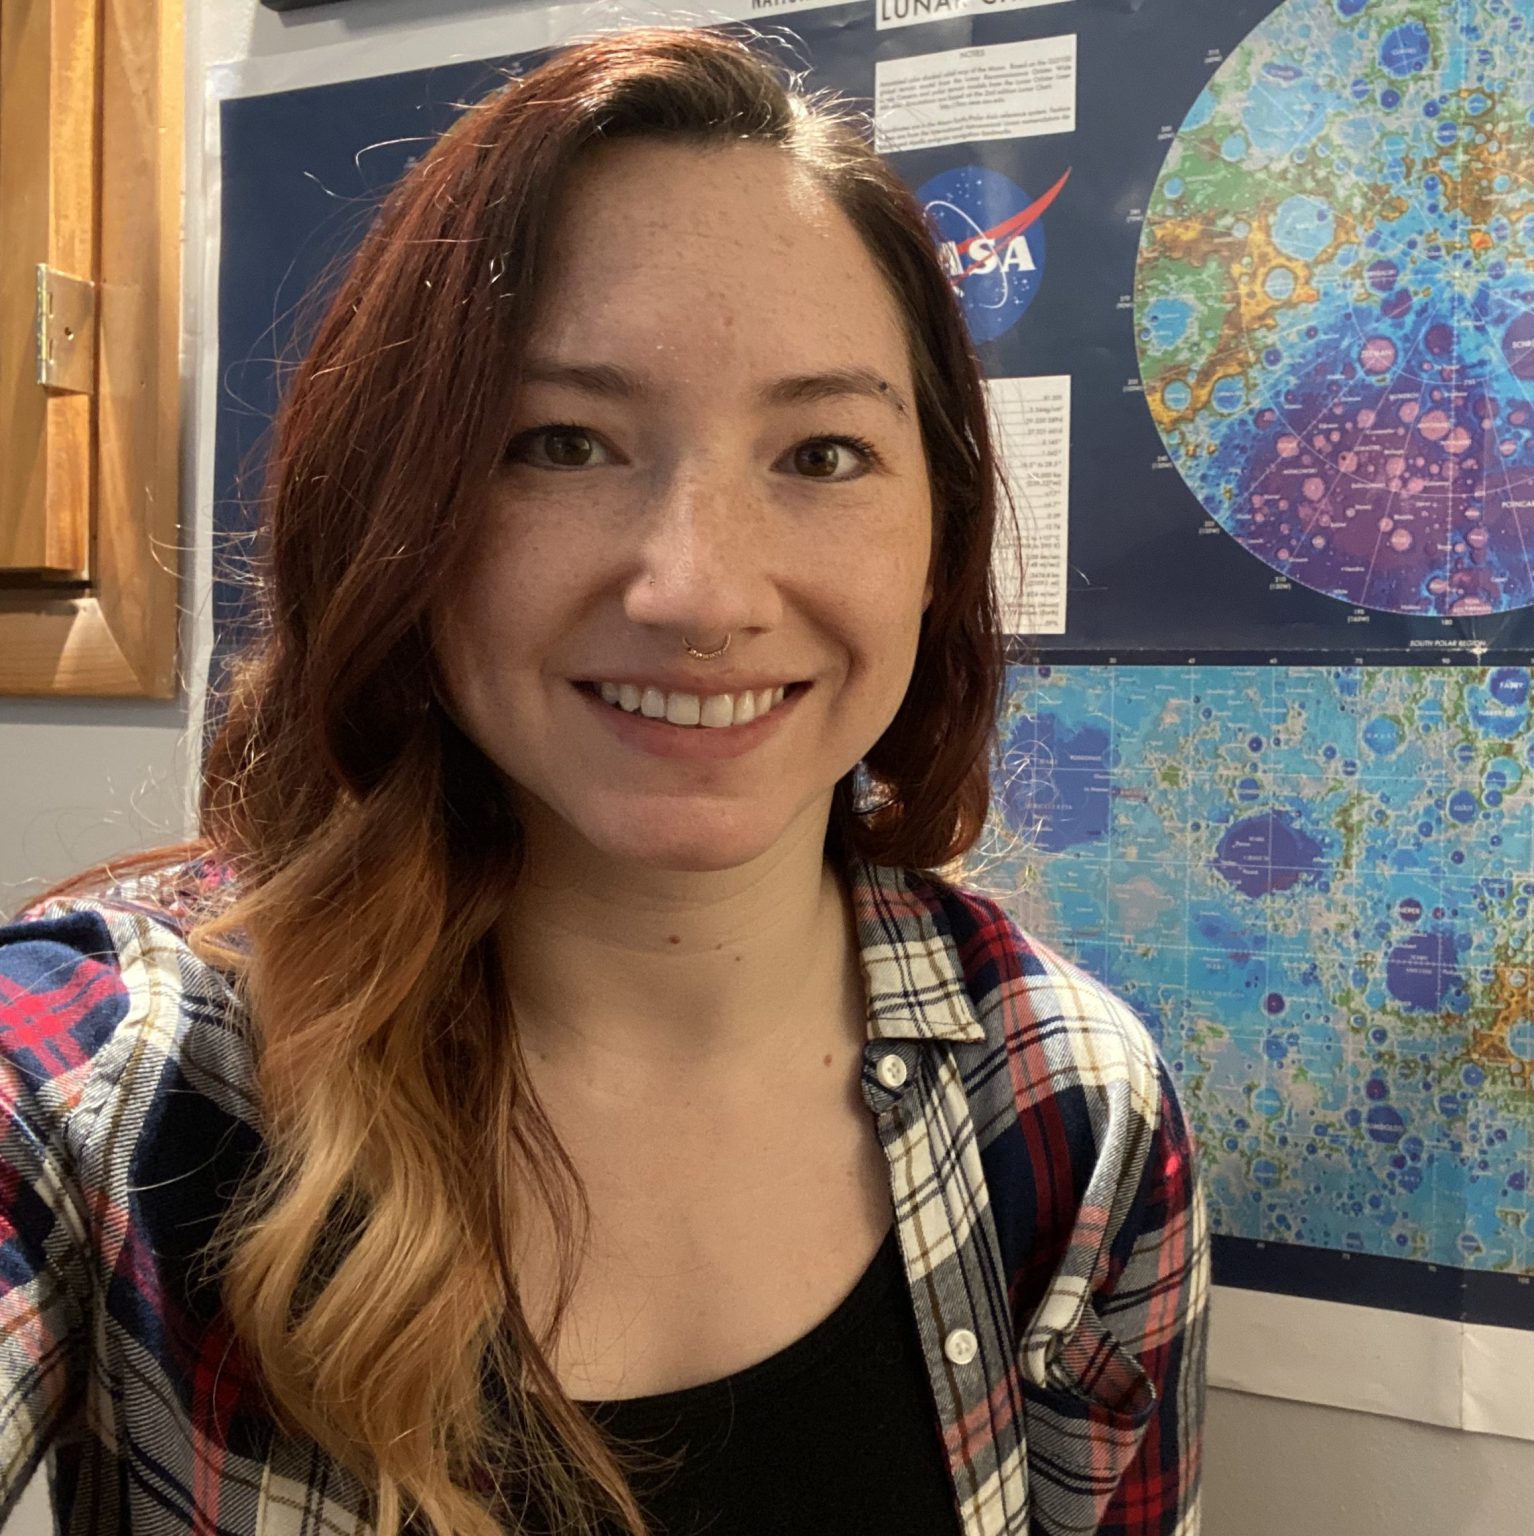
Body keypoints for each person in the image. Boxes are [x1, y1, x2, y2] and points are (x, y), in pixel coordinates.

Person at [0, 28, 1207, 1536]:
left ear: (937, 538)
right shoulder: (104, 1086)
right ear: (403, 512)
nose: (700, 590)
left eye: (823, 453)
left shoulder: (1073, 1114)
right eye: (561, 443)